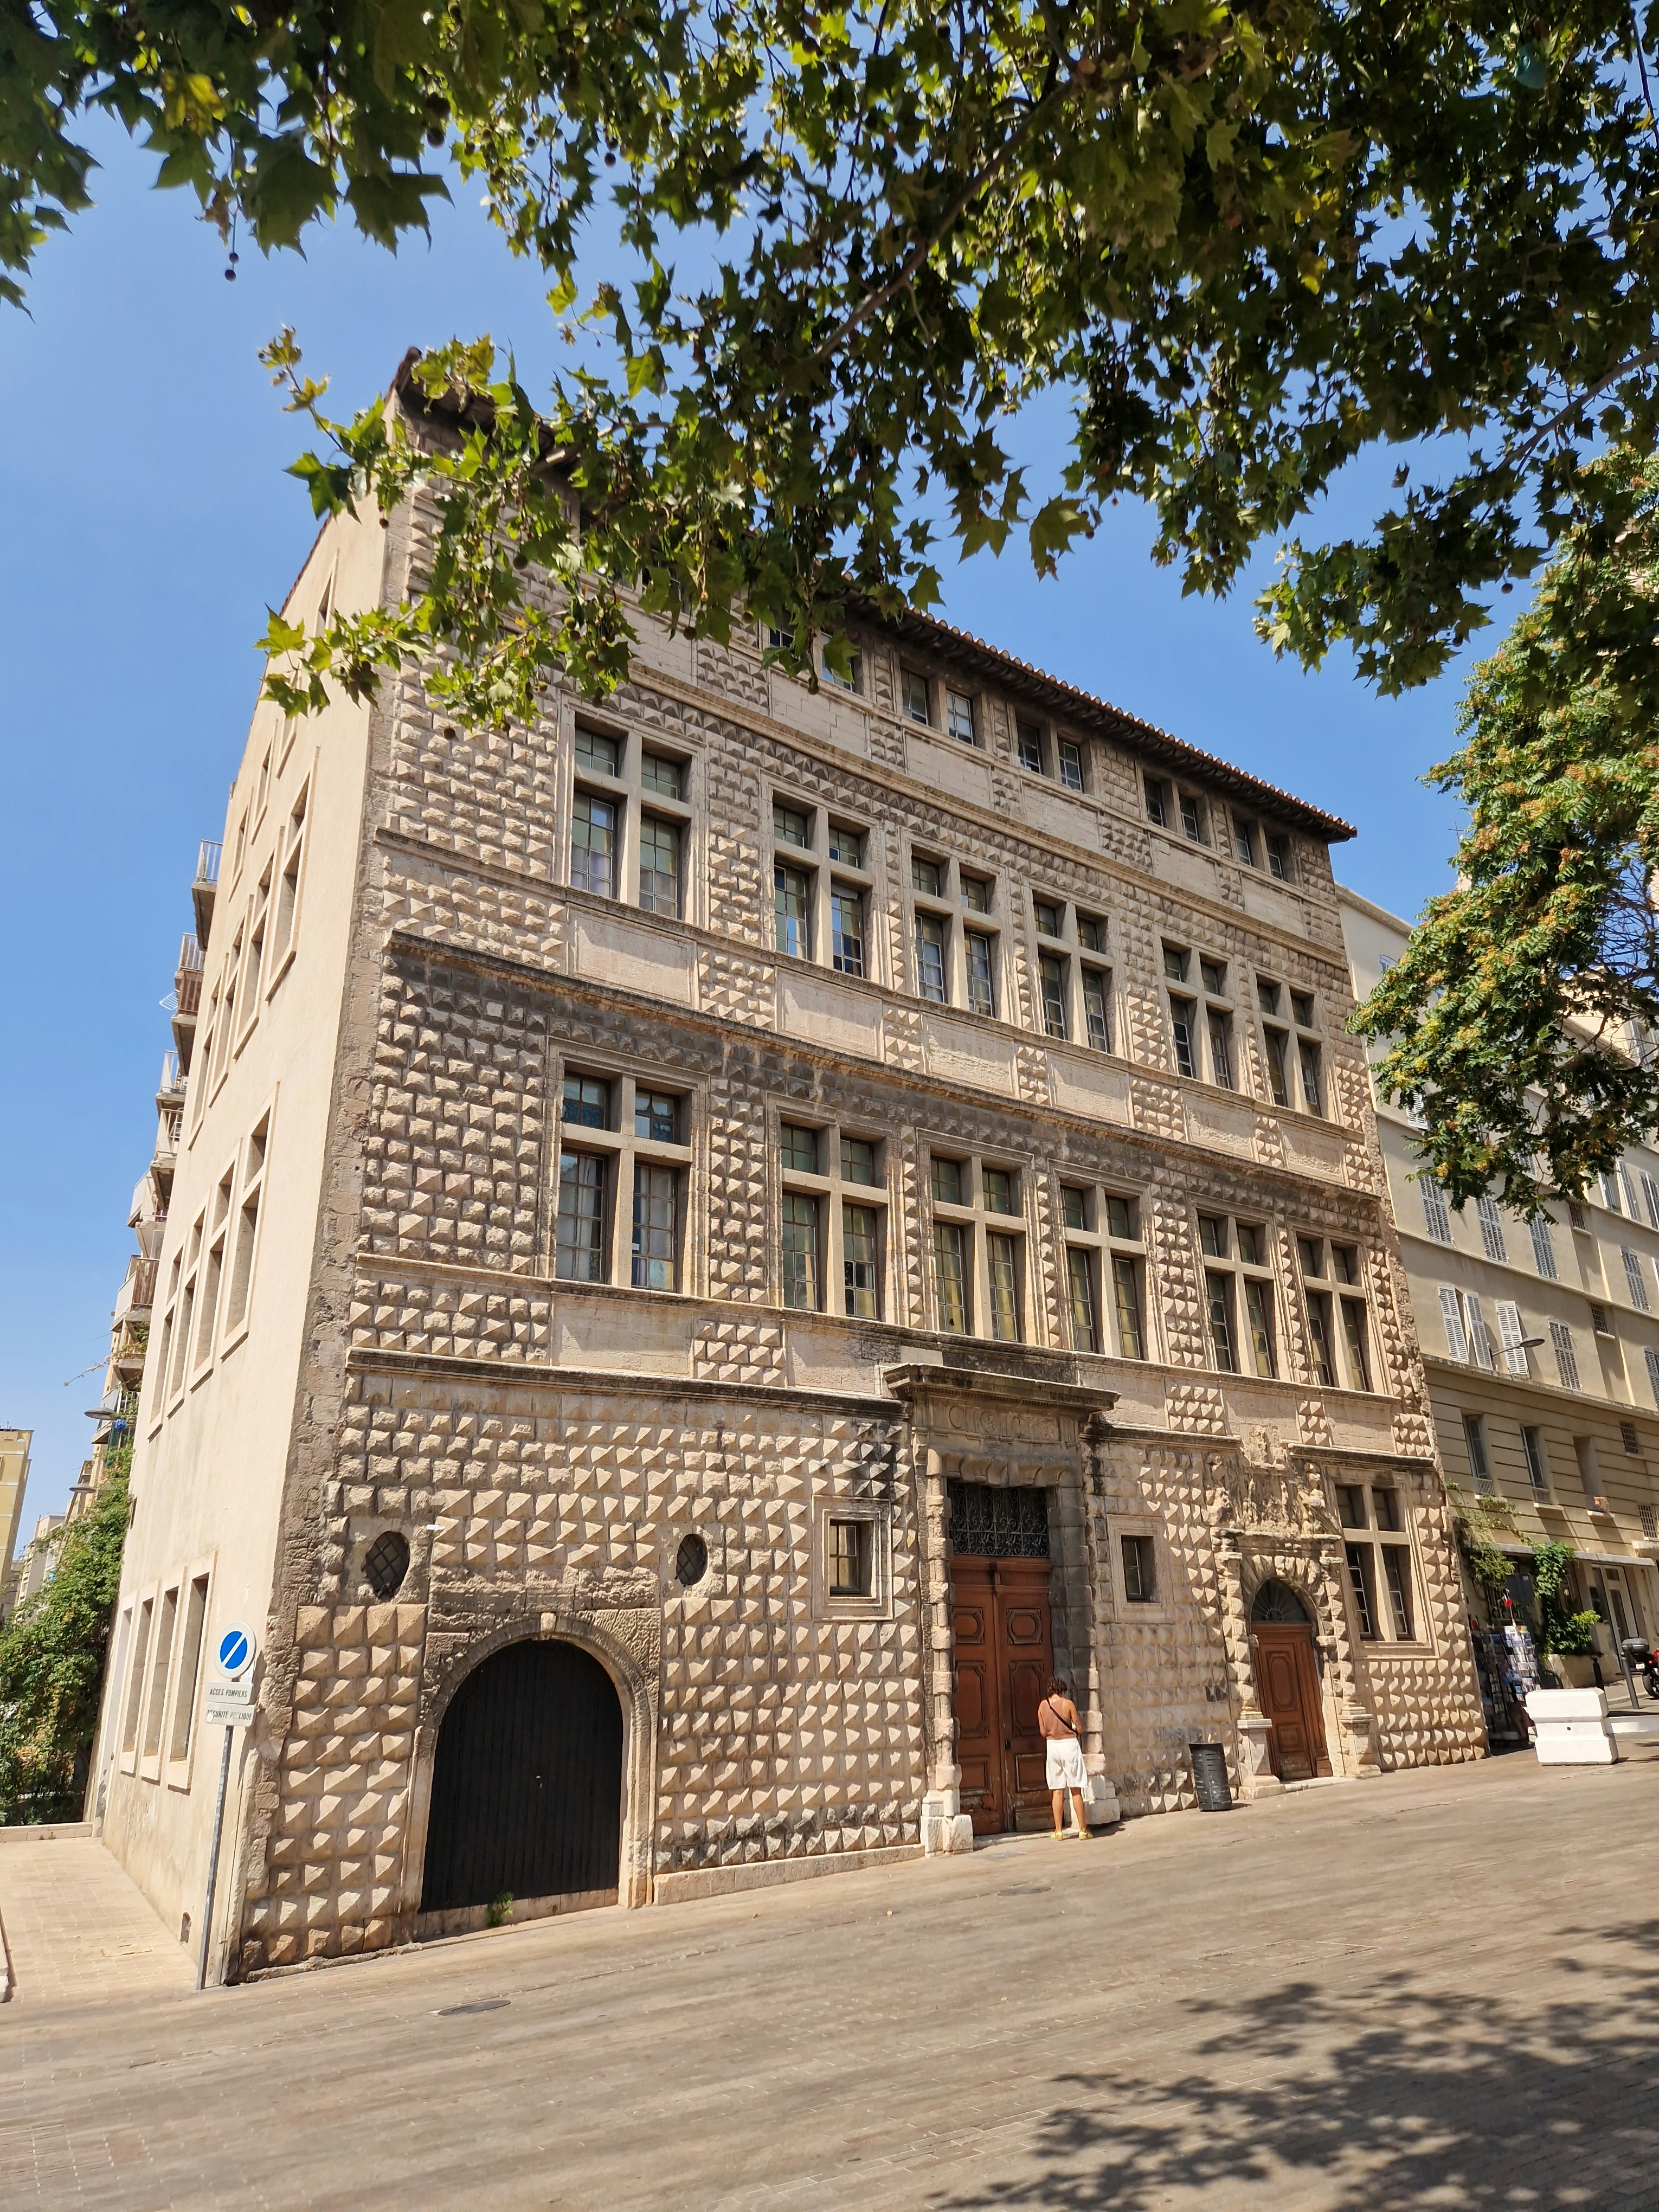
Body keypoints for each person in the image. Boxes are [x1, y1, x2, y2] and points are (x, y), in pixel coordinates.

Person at [1038, 1674, 1091, 1840]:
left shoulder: (1042, 1706)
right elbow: (1079, 1728)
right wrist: (1076, 1727)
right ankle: (1083, 1830)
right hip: (1069, 1745)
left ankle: (1058, 1830)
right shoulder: (1068, 1704)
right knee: (1076, 1788)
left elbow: (1042, 1732)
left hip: (1052, 1746)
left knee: (1057, 1790)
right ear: (1061, 1690)